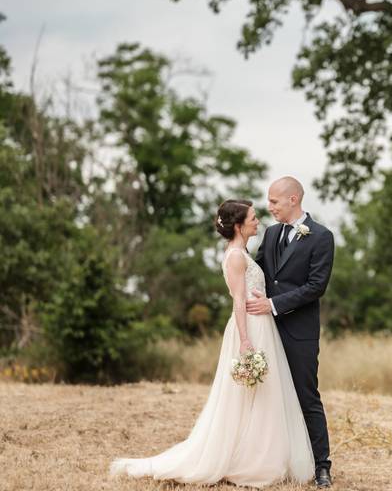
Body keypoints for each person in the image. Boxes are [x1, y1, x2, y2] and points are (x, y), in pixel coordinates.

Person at [110, 199, 314, 487]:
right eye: (253, 218)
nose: (258, 221)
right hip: (250, 329)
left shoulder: (242, 252)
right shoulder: (234, 257)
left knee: (263, 395)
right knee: (249, 395)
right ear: (240, 225)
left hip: (262, 325)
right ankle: (248, 459)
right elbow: (239, 302)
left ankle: (262, 453)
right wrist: (245, 341)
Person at [247, 176, 335, 488]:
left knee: (306, 397)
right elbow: (256, 271)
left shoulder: (322, 237)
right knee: (268, 397)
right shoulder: (270, 234)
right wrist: (234, 253)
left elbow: (316, 287)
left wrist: (273, 304)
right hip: (267, 330)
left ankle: (322, 466)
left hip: (299, 331)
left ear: (293, 200)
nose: (269, 207)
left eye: (274, 201)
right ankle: (274, 460)